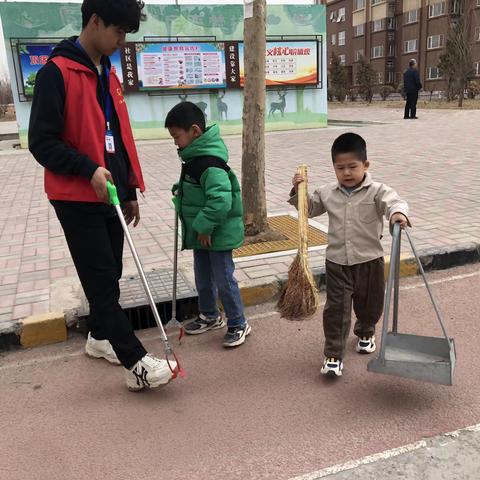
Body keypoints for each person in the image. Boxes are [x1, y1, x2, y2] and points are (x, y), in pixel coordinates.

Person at [28, 0, 176, 392]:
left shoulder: (106, 73)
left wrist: (128, 190)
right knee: (99, 282)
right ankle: (135, 362)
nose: (121, 41)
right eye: (118, 32)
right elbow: (41, 142)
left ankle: (99, 338)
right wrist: (87, 169)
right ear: (95, 21)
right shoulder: (55, 74)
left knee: (109, 274)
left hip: (110, 193)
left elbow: (117, 141)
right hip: (76, 196)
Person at [289, 133, 409, 377]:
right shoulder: (327, 192)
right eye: (340, 168)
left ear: (366, 165)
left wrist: (398, 214)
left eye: (352, 167)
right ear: (333, 168)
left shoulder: (376, 191)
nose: (346, 173)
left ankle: (365, 332)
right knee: (336, 309)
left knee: (370, 304)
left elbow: (394, 202)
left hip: (369, 261)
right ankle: (333, 354)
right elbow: (309, 209)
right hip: (337, 263)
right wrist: (298, 190)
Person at [165, 102, 251, 348]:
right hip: (204, 234)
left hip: (216, 233)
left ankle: (238, 322)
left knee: (224, 278)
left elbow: (220, 199)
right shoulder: (194, 157)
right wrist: (182, 190)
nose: (175, 142)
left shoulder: (209, 163)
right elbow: (200, 188)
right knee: (202, 276)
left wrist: (204, 226)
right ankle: (210, 315)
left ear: (194, 131)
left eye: (176, 136)